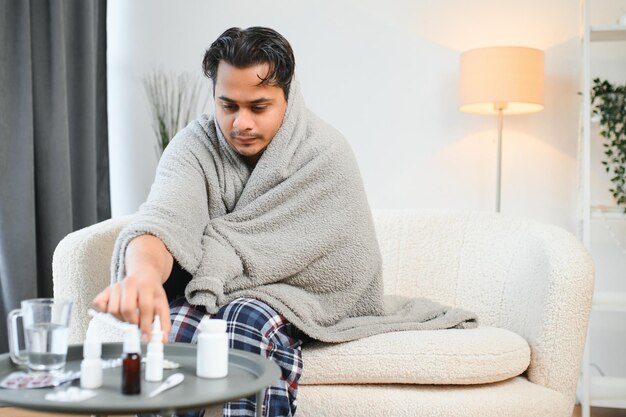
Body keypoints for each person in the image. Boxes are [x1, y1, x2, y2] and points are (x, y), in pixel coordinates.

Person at [94, 26, 476, 417]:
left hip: (295, 296)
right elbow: (164, 220)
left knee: (243, 318)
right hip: (219, 290)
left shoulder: (325, 153)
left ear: (287, 98)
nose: (241, 123)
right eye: (227, 106)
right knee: (173, 328)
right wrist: (141, 275)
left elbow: (346, 265)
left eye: (258, 107)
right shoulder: (194, 146)